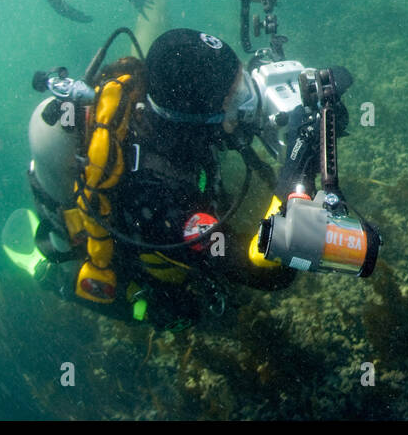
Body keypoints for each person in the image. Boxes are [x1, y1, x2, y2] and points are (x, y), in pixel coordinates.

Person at [19, 29, 300, 329]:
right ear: (198, 118)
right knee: (190, 315)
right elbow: (271, 270)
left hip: (172, 176)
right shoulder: (163, 197)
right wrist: (299, 165)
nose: (247, 102)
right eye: (236, 97)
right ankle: (53, 277)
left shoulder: (163, 104)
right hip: (149, 250)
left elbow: (224, 115)